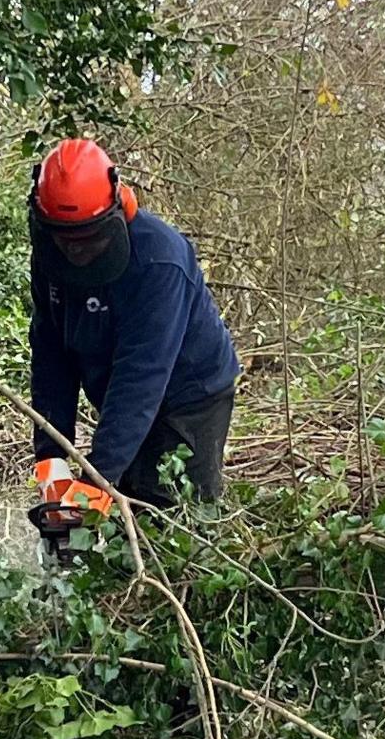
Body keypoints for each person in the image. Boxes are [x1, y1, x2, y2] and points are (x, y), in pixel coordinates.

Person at [25, 137, 240, 540]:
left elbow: (140, 379)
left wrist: (96, 479)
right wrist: (52, 454)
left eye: (88, 237)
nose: (76, 250)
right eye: (64, 237)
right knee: (124, 509)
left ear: (117, 210)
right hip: (116, 386)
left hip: (189, 394)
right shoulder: (49, 255)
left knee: (176, 515)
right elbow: (50, 353)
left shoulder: (158, 261)